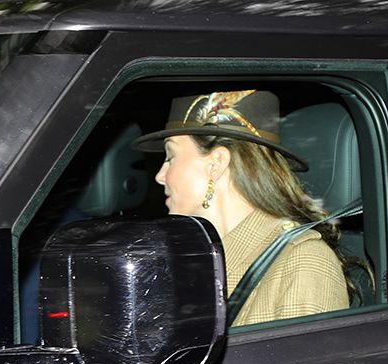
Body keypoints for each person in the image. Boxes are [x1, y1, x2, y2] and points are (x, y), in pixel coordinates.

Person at [133, 90, 353, 326]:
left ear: (216, 164)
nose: (160, 176)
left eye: (170, 156)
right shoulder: (188, 259)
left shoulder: (303, 263)